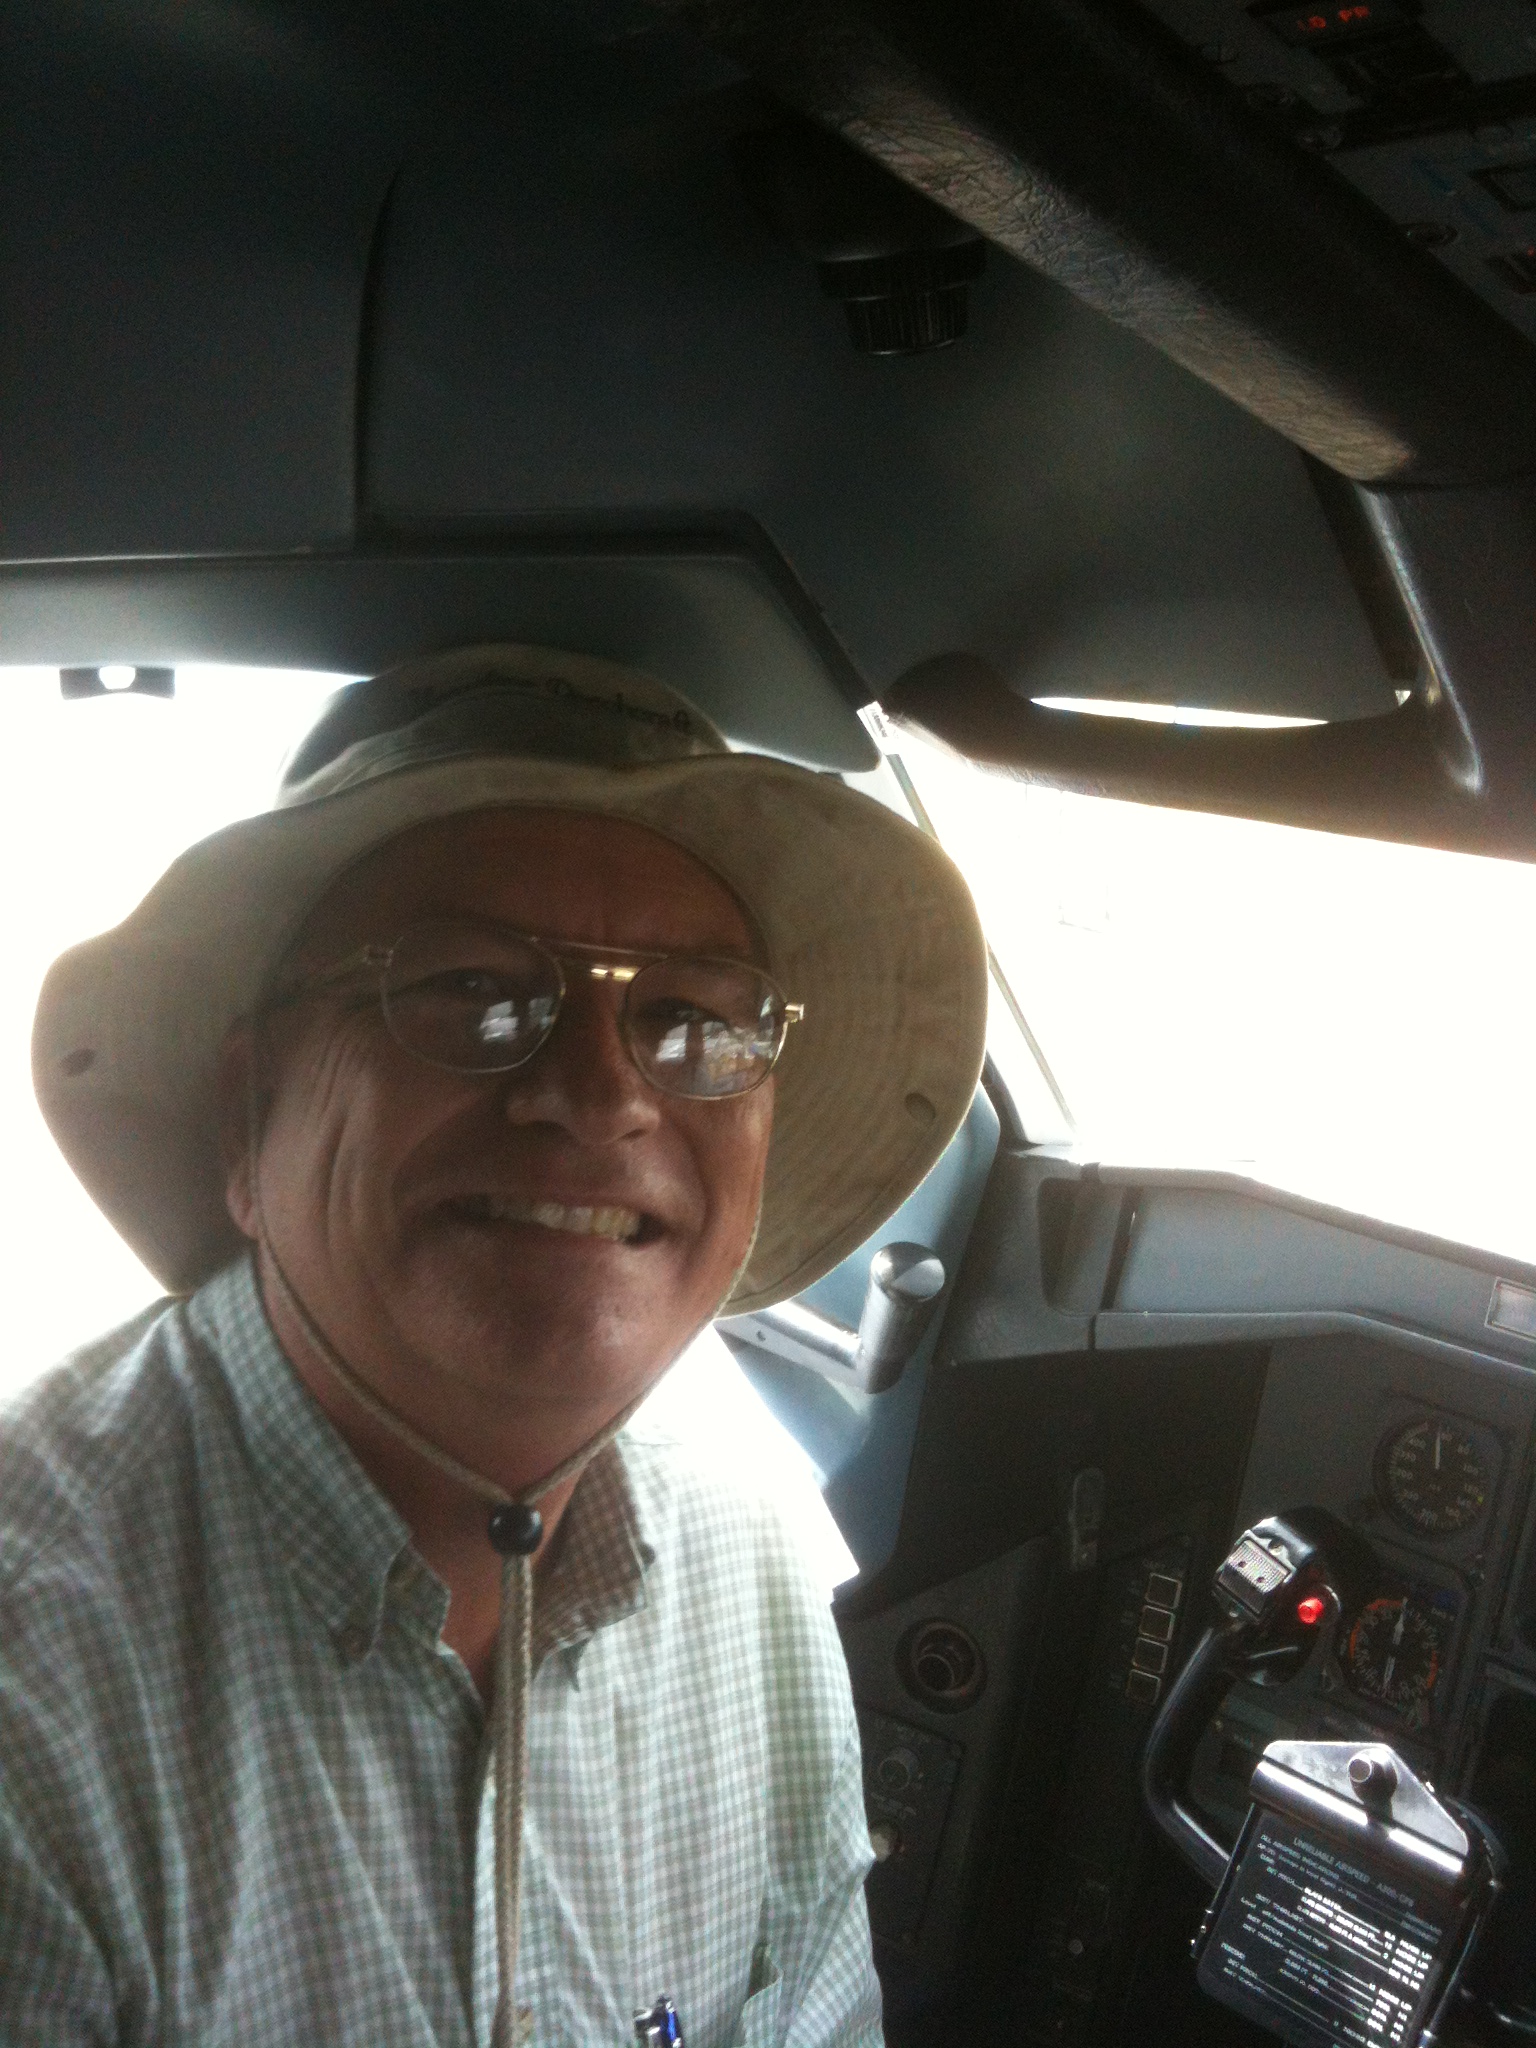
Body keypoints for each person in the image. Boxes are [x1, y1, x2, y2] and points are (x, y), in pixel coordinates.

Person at [0, 644, 988, 2047]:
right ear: (248, 1115)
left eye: (694, 1018)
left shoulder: (749, 1571)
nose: (601, 1094)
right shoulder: (35, 1688)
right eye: (469, 990)